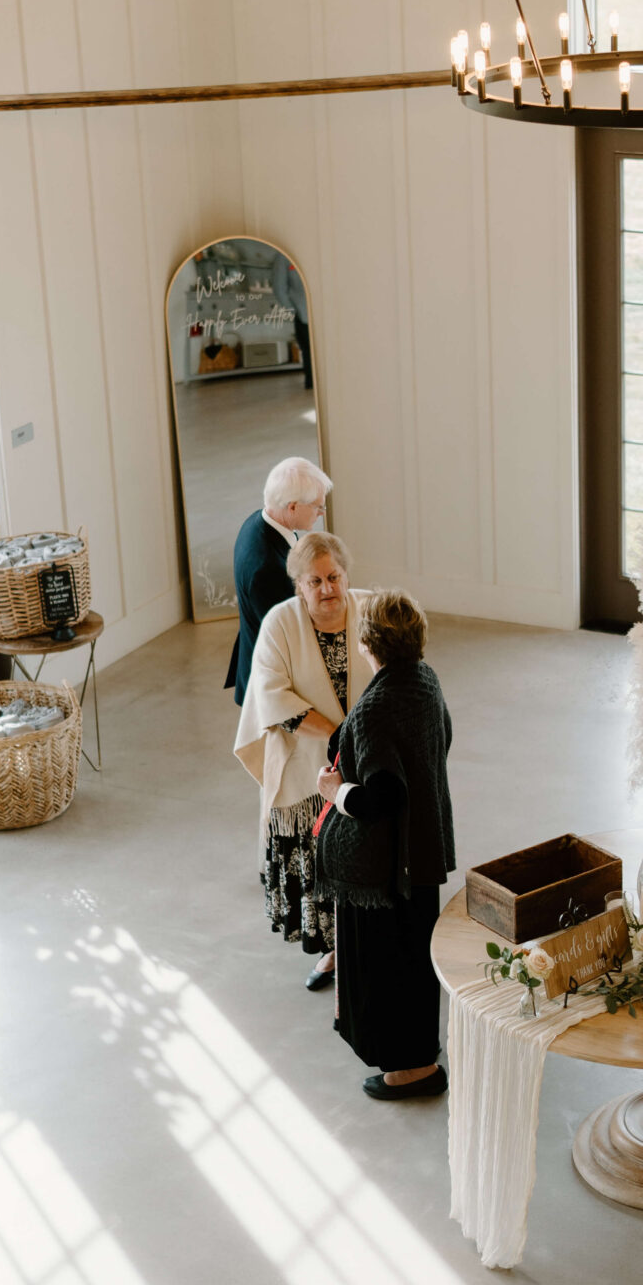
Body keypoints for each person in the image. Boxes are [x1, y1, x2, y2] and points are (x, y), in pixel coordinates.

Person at [313, 590, 453, 1100]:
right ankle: (420, 1057)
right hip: (423, 848)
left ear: (369, 644)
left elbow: (381, 798)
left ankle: (409, 1070)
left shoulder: (376, 708)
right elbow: (442, 740)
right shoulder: (425, 680)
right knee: (416, 957)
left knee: (386, 963)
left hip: (383, 865)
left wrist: (335, 790)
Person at [234, 532, 361, 993]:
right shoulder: (279, 623)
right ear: (298, 586)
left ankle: (362, 951)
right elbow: (270, 695)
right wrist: (338, 734)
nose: (327, 589)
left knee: (362, 864)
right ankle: (333, 954)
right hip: (304, 771)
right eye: (315, 581)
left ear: (346, 576)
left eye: (334, 577)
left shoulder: (369, 611)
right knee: (318, 866)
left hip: (365, 767)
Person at [224, 455, 334, 703]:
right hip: (271, 682)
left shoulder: (257, 521)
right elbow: (291, 637)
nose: (320, 513)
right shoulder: (267, 569)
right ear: (292, 506)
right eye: (317, 507)